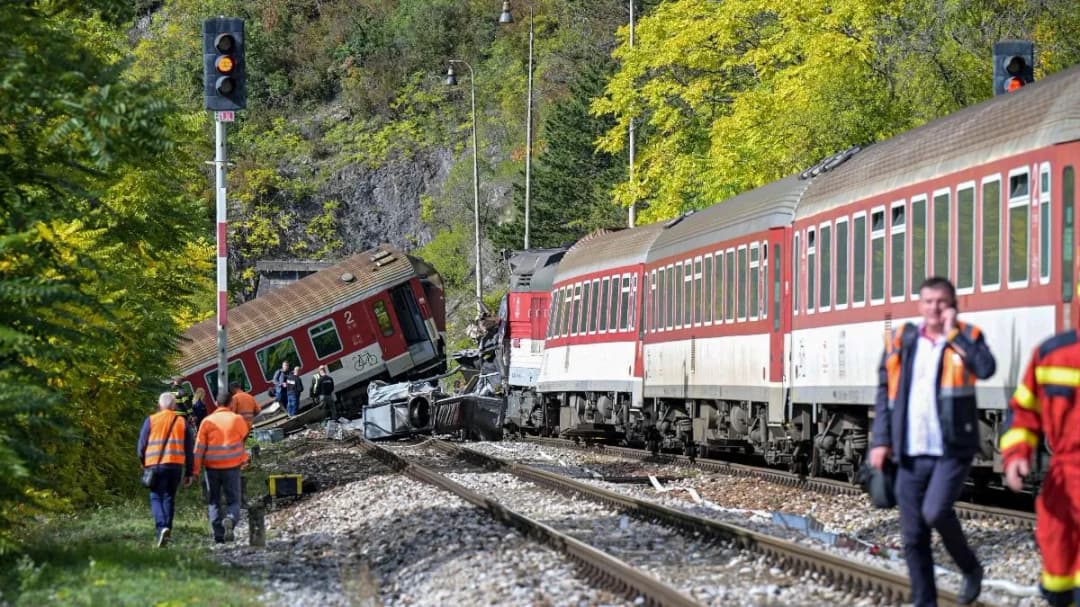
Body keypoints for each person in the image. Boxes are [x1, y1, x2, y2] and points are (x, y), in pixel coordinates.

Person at [868, 276, 996, 607]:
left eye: (942, 302)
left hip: (951, 450)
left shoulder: (968, 337)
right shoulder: (901, 341)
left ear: (953, 305)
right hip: (909, 451)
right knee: (912, 537)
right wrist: (880, 441)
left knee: (936, 510)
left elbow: (986, 368)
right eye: (928, 301)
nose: (935, 308)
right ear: (920, 305)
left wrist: (953, 335)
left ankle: (970, 568)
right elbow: (884, 393)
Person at [1001, 329, 1080, 606]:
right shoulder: (1052, 354)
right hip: (1064, 483)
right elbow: (1024, 411)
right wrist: (1016, 455)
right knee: (1059, 578)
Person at [136, 392, 194, 548]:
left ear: (159, 405)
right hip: (175, 466)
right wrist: (189, 472)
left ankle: (162, 528)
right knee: (169, 497)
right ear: (174, 406)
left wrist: (143, 462)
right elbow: (189, 449)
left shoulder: (151, 420)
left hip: (154, 465)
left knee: (156, 497)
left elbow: (141, 446)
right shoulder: (182, 422)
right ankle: (167, 531)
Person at [193, 396, 248, 543]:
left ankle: (218, 535)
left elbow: (199, 448)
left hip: (211, 467)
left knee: (214, 501)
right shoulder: (237, 419)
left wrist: (195, 470)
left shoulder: (207, 421)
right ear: (231, 403)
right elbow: (242, 439)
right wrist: (243, 460)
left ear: (216, 403)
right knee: (234, 500)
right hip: (232, 466)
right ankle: (230, 519)